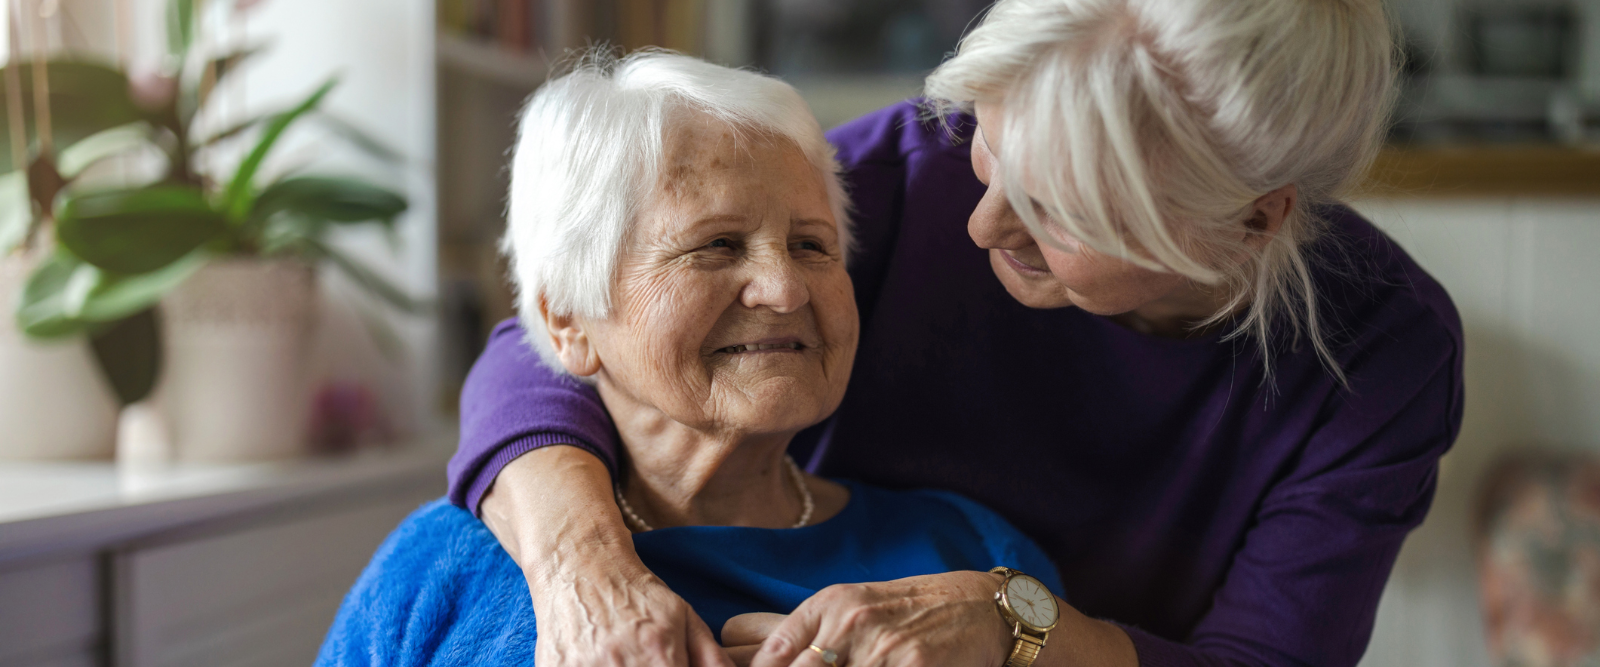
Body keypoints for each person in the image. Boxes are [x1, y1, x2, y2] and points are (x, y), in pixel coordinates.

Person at [451, 0, 1466, 665]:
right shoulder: (909, 174)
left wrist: (1014, 628)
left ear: (1255, 218)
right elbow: (556, 337)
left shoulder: (1382, 348)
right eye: (990, 147)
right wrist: (585, 571)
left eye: (1060, 209)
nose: (980, 226)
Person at [316, 51, 1066, 667]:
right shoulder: (445, 565)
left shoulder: (975, 558)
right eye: (716, 245)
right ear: (567, 318)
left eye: (812, 245)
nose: (783, 287)